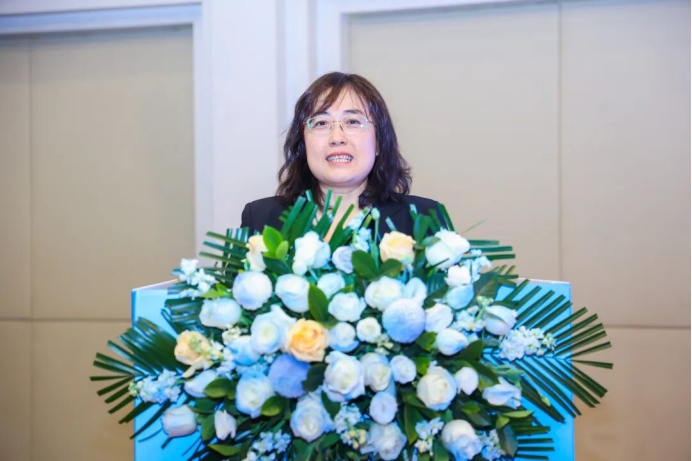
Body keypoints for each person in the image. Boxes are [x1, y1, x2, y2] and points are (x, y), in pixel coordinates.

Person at [240, 72, 439, 240]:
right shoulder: (260, 219)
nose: (337, 138)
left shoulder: (422, 219)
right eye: (321, 123)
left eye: (352, 122)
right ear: (302, 144)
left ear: (379, 142)